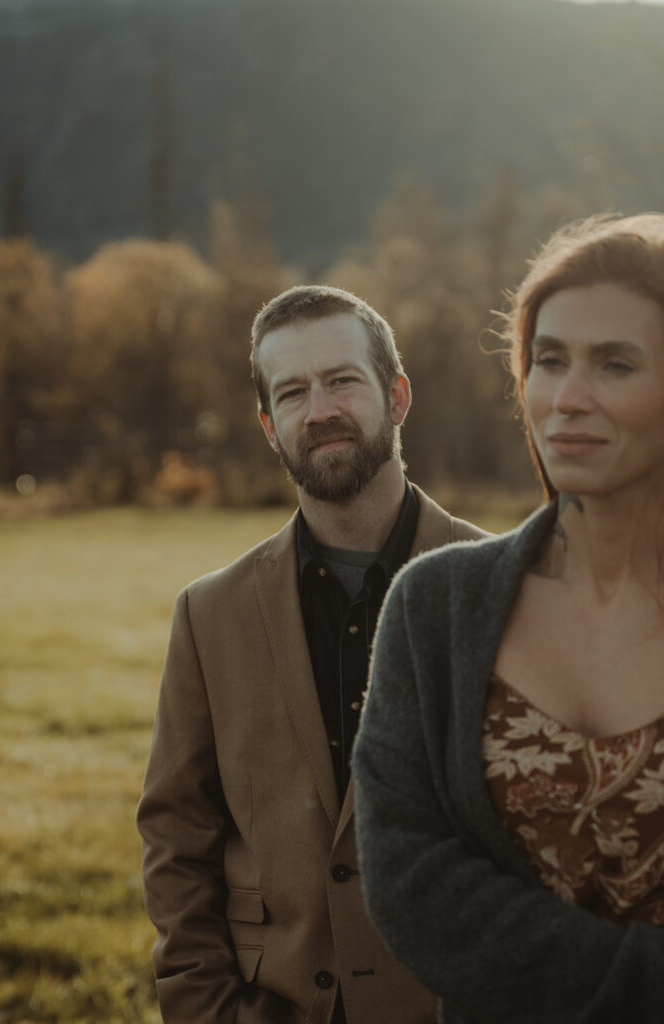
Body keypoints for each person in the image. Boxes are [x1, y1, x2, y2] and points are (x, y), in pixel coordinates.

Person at [136, 284, 485, 1024]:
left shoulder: (504, 586)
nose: (319, 409)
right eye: (292, 392)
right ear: (268, 425)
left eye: (341, 381)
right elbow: (176, 839)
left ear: (396, 396)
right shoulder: (208, 616)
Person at [353, 213, 664, 1024]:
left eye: (614, 364)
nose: (566, 398)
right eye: (548, 360)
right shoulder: (434, 607)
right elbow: (407, 876)